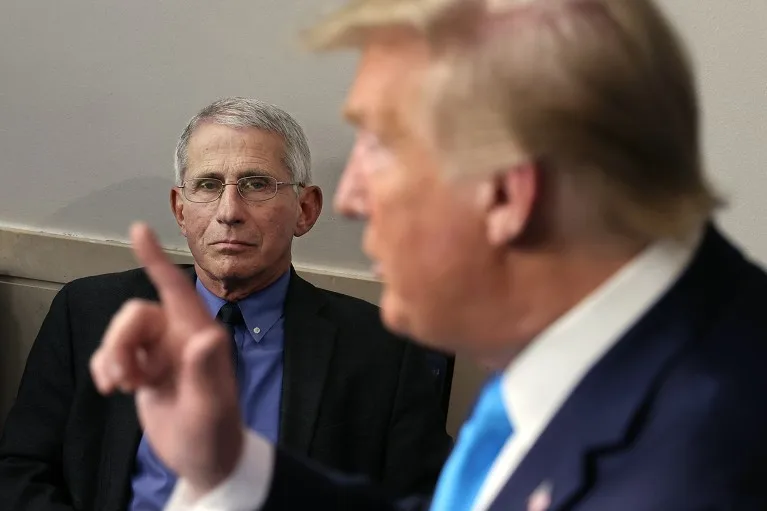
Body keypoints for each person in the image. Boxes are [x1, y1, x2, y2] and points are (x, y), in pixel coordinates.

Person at [90, 1, 767, 510]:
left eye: (379, 145)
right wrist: (230, 466)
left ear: (506, 191)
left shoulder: (698, 466)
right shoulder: (603, 340)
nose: (349, 197)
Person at [0, 98, 452, 510]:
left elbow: (429, 499)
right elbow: (19, 471)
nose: (229, 210)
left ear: (306, 210)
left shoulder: (381, 349)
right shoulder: (90, 315)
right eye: (208, 185)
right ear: (181, 210)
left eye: (256, 184)